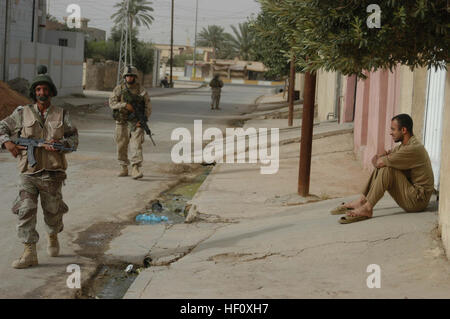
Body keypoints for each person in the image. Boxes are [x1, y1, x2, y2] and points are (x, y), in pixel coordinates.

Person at [0, 65, 79, 268]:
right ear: (34, 92)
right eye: (38, 90)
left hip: (52, 173)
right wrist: (7, 142)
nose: (41, 93)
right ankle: (29, 252)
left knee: (52, 212)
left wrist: (61, 146)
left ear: (51, 92)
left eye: (45, 89)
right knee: (25, 210)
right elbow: (2, 127)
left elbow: (74, 139)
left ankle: (53, 234)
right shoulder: (22, 112)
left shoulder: (62, 114)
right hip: (28, 172)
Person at [333, 114, 435, 224]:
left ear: (404, 130)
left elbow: (379, 161)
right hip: (412, 194)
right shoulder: (404, 146)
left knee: (387, 169)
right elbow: (377, 160)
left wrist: (382, 158)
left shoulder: (412, 149)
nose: (390, 133)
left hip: (418, 200)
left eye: (393, 129)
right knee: (385, 165)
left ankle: (367, 207)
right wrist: (381, 159)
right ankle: (362, 201)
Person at [109, 65, 152, 179]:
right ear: (124, 77)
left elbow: (148, 107)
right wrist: (124, 105)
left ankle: (135, 168)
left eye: (131, 76)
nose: (129, 78)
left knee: (136, 144)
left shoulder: (141, 90)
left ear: (135, 77)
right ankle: (123, 167)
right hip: (122, 121)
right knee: (121, 145)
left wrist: (142, 121)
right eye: (127, 76)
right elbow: (112, 104)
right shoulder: (119, 89)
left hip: (136, 122)